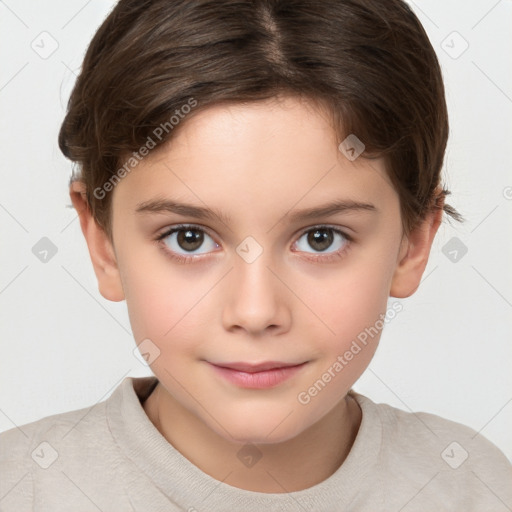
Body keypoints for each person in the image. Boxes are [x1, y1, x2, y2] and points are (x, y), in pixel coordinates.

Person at [1, 0, 511, 510]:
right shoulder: (20, 489)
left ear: (414, 242)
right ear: (103, 243)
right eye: (189, 238)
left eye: (321, 238)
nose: (255, 312)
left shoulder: (474, 485)